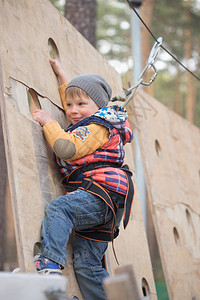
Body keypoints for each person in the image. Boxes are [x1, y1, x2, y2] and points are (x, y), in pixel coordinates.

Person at [33, 59, 134, 300]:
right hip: (109, 202)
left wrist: (49, 123)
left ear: (98, 106)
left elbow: (66, 148)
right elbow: (75, 100)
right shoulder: (92, 118)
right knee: (88, 266)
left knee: (60, 209)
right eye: (69, 104)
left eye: (80, 104)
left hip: (101, 196)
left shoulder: (98, 127)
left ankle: (50, 266)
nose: (72, 110)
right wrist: (61, 75)